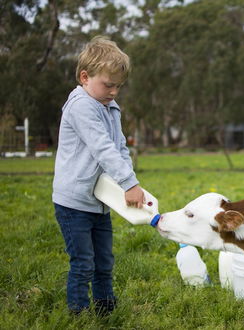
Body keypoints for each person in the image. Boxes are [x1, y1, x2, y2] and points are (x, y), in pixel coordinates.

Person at [52, 36, 144, 315]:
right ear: (84, 76)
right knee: (83, 263)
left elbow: (119, 147)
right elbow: (102, 148)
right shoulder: (81, 106)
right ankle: (78, 315)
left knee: (104, 261)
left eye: (118, 86)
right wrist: (129, 183)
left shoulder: (110, 107)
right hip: (74, 202)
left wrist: (129, 181)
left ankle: (106, 310)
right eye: (108, 84)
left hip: (99, 201)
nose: (114, 91)